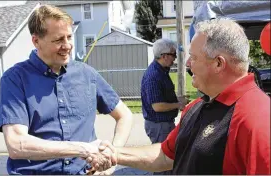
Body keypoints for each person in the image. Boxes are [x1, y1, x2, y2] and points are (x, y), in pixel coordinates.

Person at [86, 18, 270, 175]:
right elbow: (166, 155)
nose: (187, 64)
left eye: (194, 57)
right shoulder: (197, 107)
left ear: (218, 64)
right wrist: (114, 153)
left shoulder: (257, 118)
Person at [0, 5, 133, 175]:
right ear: (36, 41)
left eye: (69, 37)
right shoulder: (15, 79)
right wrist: (81, 148)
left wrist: (113, 155)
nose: (67, 45)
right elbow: (17, 144)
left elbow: (124, 115)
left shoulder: (87, 74)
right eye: (58, 40)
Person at [141, 39, 189, 174]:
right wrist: (178, 104)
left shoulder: (161, 71)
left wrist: (178, 100)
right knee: (164, 163)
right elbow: (157, 106)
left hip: (163, 124)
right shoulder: (154, 75)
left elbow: (162, 98)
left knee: (168, 161)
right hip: (159, 125)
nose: (174, 59)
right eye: (173, 55)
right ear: (164, 56)